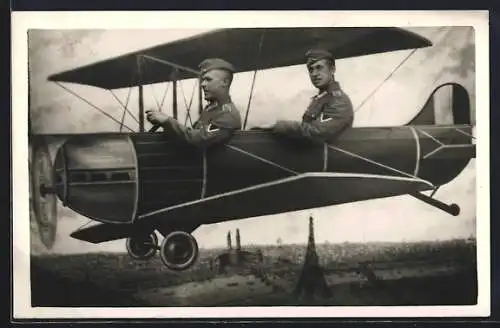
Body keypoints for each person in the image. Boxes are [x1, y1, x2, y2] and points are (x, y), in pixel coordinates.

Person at [146, 58, 242, 148]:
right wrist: (165, 123)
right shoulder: (211, 109)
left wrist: (167, 121)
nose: (202, 84)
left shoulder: (228, 115)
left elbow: (198, 139)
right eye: (203, 80)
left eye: (208, 80)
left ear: (225, 82)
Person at [267, 48, 354, 143]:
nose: (314, 74)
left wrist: (278, 125)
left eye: (319, 68)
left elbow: (317, 132)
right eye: (311, 70)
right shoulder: (321, 98)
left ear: (332, 69)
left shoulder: (339, 101)